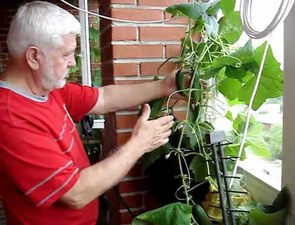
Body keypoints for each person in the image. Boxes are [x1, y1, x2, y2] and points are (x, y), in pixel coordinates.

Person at [0, 1, 177, 224]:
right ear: (34, 57)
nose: (73, 63)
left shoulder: (48, 88)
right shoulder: (10, 117)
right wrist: (140, 143)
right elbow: (76, 194)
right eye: (66, 54)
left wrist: (164, 87)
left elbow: (104, 98)